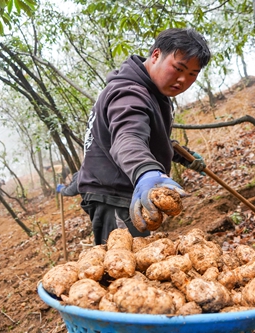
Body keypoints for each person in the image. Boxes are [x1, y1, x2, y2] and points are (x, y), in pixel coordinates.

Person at [77, 28, 211, 245]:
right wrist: (146, 172)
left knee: (140, 257)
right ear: (156, 55)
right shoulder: (130, 93)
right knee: (123, 266)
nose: (182, 80)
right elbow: (128, 138)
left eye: (192, 75)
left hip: (123, 187)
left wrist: (183, 157)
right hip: (114, 195)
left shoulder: (151, 91)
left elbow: (146, 136)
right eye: (178, 68)